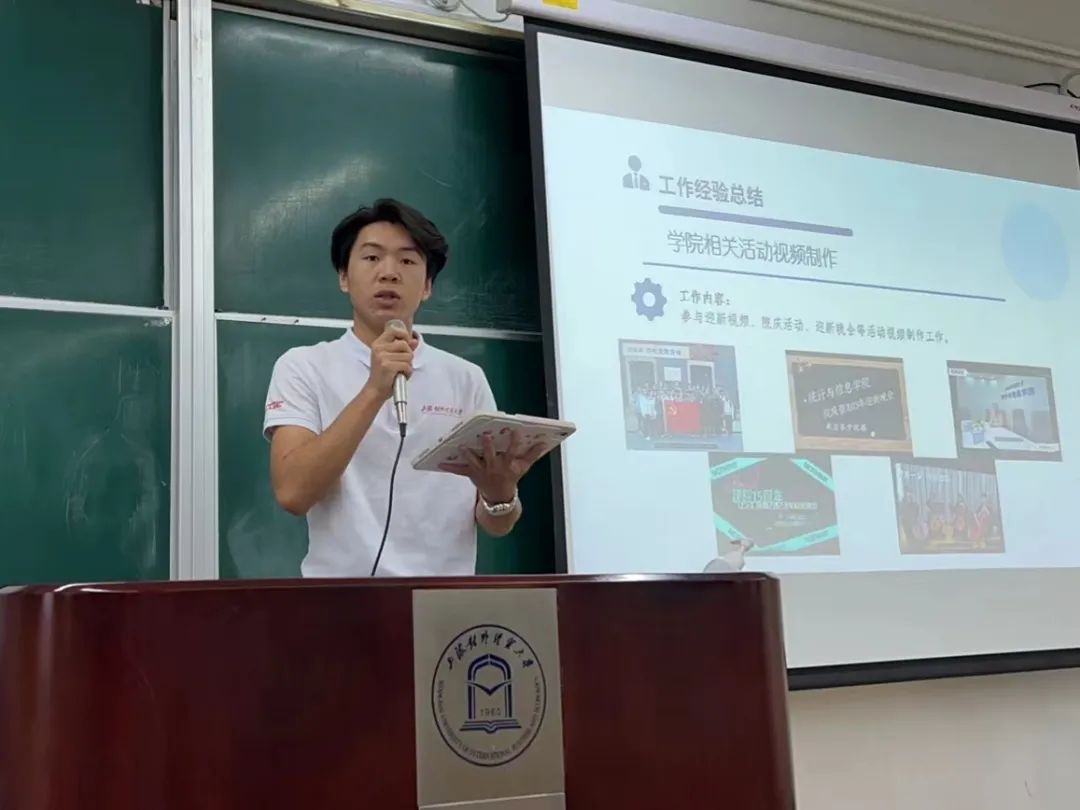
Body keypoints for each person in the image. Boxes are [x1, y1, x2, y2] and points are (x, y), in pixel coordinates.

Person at [263, 199, 545, 577]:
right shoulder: (304, 366)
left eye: (408, 261)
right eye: (371, 258)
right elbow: (293, 493)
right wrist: (373, 391)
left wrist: (500, 494)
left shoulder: (465, 378)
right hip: (339, 600)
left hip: (444, 602)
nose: (389, 273)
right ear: (344, 277)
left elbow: (498, 524)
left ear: (427, 286)